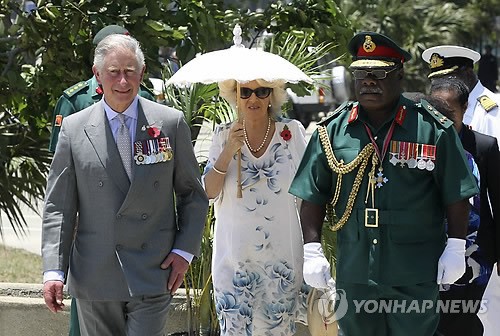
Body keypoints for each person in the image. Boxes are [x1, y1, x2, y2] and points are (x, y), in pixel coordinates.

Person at [289, 31, 479, 336]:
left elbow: (457, 193)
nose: (369, 81)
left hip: (414, 271)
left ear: (400, 75)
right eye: (361, 73)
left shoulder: (431, 128)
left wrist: (456, 246)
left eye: (379, 73)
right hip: (356, 271)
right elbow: (312, 194)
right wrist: (312, 249)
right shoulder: (333, 131)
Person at [41, 34, 209, 336]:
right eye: (114, 72)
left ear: (142, 74)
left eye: (130, 71)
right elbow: (59, 208)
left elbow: (192, 195)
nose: (122, 81)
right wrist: (54, 270)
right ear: (98, 75)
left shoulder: (169, 122)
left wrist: (184, 251)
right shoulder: (74, 129)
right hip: (96, 274)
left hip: (153, 270)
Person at [47, 24, 156, 336]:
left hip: (136, 223)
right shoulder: (73, 100)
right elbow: (60, 170)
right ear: (97, 66)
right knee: (85, 305)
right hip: (88, 219)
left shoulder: (145, 99)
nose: (122, 79)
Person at [203, 79, 308, 335]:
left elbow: (309, 192)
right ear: (235, 96)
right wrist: (228, 151)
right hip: (235, 264)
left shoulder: (291, 132)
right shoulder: (222, 134)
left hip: (280, 265)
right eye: (245, 92)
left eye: (262, 92)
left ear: (272, 96)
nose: (253, 99)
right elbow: (208, 192)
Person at [429, 77, 500, 335]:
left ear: (465, 108)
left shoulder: (483, 145)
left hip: (476, 251)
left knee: (463, 316)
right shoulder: (422, 145)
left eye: (450, 112)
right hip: (432, 247)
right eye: (436, 112)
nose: (443, 119)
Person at [49, 24, 155, 153]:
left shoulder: (143, 96)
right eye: (114, 70)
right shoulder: (76, 100)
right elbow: (60, 156)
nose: (123, 81)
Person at [422, 45, 500, 147]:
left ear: (468, 74)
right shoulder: (433, 106)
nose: (441, 84)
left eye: (448, 78)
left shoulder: (492, 111)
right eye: (436, 79)